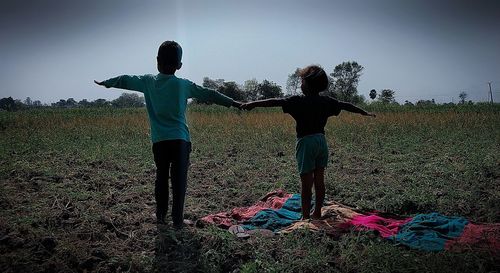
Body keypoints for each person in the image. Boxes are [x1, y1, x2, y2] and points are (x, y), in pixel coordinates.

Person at [95, 41, 242, 228]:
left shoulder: (147, 82)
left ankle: (161, 217)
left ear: (157, 61)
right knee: (179, 182)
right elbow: (210, 94)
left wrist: (107, 83)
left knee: (161, 178)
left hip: (160, 142)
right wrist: (234, 103)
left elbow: (125, 79)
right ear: (179, 65)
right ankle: (178, 221)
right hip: (180, 140)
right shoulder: (183, 85)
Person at [242, 65, 375, 220]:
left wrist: (252, 104)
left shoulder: (297, 101)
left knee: (306, 184)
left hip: (306, 143)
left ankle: (305, 217)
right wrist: (364, 112)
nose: (301, 84)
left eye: (302, 81)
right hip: (321, 142)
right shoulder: (326, 101)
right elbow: (346, 105)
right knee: (319, 180)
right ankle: (317, 211)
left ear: (308, 84)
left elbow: (273, 102)